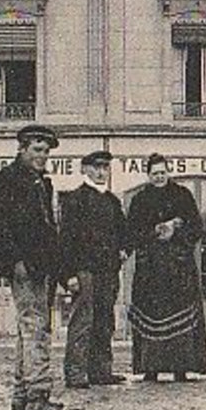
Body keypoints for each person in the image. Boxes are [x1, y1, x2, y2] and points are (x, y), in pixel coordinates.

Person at [0, 124, 66, 410]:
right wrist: (14, 262)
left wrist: (57, 267)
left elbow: (48, 229)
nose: (42, 156)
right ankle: (38, 396)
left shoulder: (43, 183)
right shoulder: (6, 181)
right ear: (22, 149)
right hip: (23, 267)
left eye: (46, 151)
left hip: (42, 267)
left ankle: (21, 395)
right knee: (35, 329)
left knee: (29, 330)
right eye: (37, 150)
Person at [125, 154, 206, 383]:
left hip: (178, 267)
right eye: (154, 174)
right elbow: (131, 234)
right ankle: (150, 369)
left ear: (168, 172)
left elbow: (198, 228)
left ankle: (180, 368)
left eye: (162, 172)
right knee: (151, 316)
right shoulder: (139, 200)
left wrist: (177, 231)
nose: (159, 177)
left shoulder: (183, 196)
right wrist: (155, 231)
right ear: (148, 175)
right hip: (150, 269)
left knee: (179, 315)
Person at [58, 150, 127, 388]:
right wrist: (68, 275)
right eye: (96, 167)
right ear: (84, 170)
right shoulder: (74, 199)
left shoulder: (112, 201)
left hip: (108, 271)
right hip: (84, 270)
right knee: (83, 321)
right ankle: (76, 372)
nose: (101, 172)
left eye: (105, 168)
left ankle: (101, 371)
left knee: (105, 320)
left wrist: (124, 249)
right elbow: (66, 240)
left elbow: (123, 232)